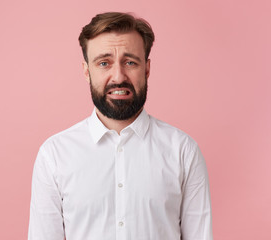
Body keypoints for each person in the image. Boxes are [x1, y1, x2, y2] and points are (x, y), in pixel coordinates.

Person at [28, 12, 213, 240]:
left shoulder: (184, 151)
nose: (118, 76)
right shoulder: (54, 155)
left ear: (146, 69)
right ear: (87, 71)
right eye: (104, 63)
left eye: (130, 62)